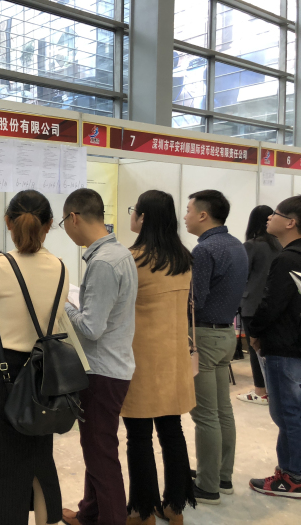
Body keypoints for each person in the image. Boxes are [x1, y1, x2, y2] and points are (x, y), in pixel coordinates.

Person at [0, 189, 68, 525]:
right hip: (44, 371)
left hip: (2, 371)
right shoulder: (60, 267)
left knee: (2, 463)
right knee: (39, 455)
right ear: (50, 224)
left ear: (8, 222)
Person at [59, 188, 138, 525]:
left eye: (63, 222)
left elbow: (91, 328)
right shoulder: (117, 253)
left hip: (102, 371)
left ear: (73, 217)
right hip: (112, 365)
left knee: (101, 454)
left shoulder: (104, 262)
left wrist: (63, 304)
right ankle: (89, 512)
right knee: (96, 448)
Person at [121, 191, 196, 525]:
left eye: (134, 210)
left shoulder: (133, 259)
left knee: (139, 437)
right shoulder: (183, 258)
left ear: (143, 217)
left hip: (141, 361)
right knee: (172, 432)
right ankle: (175, 507)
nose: (132, 215)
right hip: (174, 359)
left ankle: (143, 511)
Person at [183, 190, 247, 505]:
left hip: (203, 338)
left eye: (188, 210)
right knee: (223, 410)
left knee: (205, 414)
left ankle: (207, 487)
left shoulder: (205, 249)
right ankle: (222, 476)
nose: (185, 216)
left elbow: (195, 300)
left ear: (203, 215)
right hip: (225, 335)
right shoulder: (236, 245)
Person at [247, 197, 301, 498]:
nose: (270, 217)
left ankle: (293, 477)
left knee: (287, 413)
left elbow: (271, 305)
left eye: (276, 214)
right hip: (295, 344)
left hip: (283, 346)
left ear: (291, 222)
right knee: (294, 413)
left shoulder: (287, 259)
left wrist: (254, 332)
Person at [237, 205, 280, 405]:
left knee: (255, 349)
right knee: (272, 349)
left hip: (252, 303)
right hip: (275, 303)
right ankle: (273, 390)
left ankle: (260, 391)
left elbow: (242, 275)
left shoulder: (252, 245)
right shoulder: (281, 245)